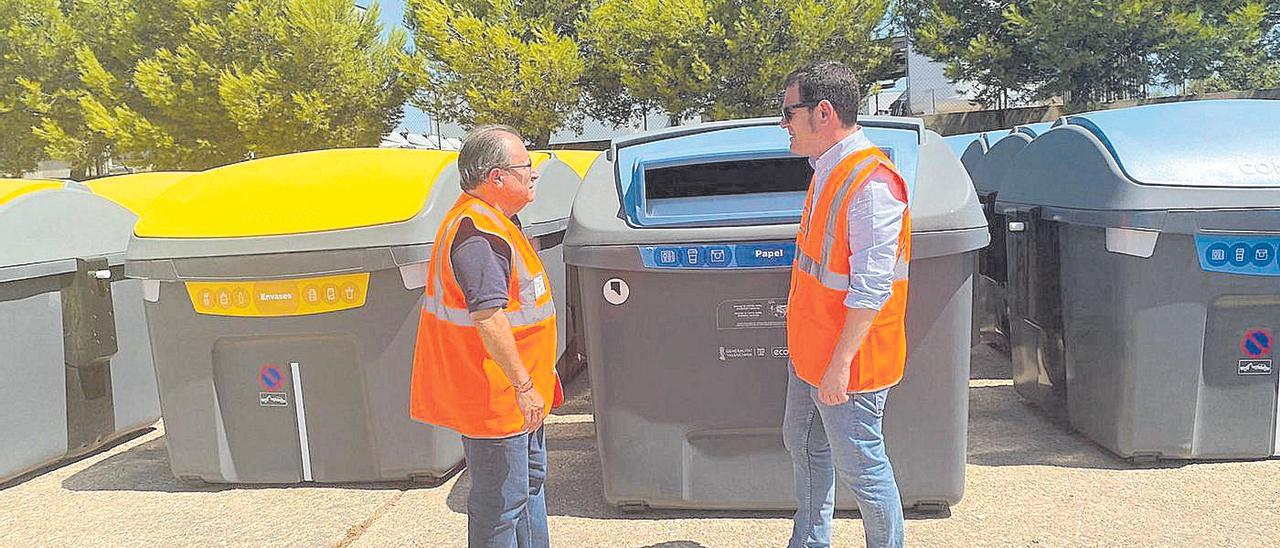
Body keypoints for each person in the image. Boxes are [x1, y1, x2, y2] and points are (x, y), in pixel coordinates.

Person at [410, 125, 562, 548]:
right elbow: (488, 316)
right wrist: (525, 386)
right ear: (496, 178)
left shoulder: (497, 222)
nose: (533, 174)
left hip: (518, 395)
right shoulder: (478, 232)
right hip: (498, 395)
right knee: (500, 504)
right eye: (525, 167)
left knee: (528, 487)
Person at [779, 61, 911, 548]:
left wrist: (837, 367)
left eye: (789, 112)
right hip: (813, 352)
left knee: (864, 469)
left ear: (824, 112)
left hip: (849, 365)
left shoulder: (871, 183)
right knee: (804, 442)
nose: (784, 124)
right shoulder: (828, 169)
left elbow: (871, 288)